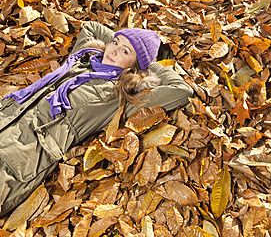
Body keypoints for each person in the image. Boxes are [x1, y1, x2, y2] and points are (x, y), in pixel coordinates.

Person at [0, 22, 193, 216]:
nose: (114, 50)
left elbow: (182, 91)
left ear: (135, 68)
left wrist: (147, 63)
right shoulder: (83, 58)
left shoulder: (120, 94)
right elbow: (92, 27)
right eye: (115, 42)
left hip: (21, 153)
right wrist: (126, 46)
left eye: (124, 51)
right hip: (7, 117)